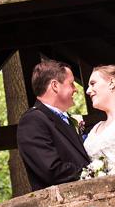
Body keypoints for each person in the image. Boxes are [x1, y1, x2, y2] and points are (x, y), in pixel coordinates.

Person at [17, 59, 90, 190]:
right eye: (71, 84)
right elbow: (52, 170)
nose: (76, 90)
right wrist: (95, 172)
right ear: (55, 85)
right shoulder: (32, 121)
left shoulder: (65, 119)